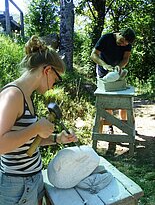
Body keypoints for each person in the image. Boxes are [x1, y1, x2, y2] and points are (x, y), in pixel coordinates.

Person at [0, 35, 78, 205]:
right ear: (47, 70)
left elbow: (26, 141)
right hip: (16, 186)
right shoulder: (12, 95)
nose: (53, 85)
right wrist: (35, 128)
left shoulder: (28, 96)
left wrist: (57, 138)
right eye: (56, 80)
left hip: (32, 179)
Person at [90, 27, 136, 135]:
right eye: (122, 41)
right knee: (107, 102)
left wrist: (119, 67)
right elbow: (93, 55)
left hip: (117, 72)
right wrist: (105, 65)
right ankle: (110, 125)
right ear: (119, 33)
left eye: (126, 44)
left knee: (122, 99)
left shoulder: (127, 43)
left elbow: (125, 58)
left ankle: (125, 126)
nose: (123, 44)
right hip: (103, 70)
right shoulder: (106, 38)